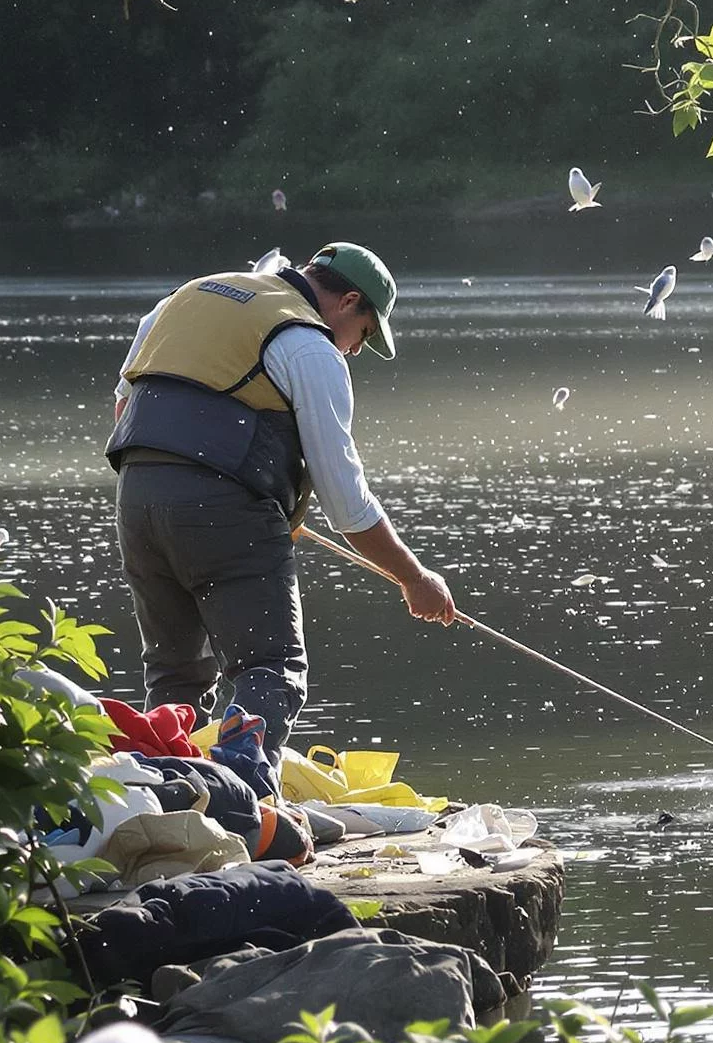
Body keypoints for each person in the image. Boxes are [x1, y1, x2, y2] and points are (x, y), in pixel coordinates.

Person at [107, 242, 453, 756]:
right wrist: (414, 578)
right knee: (271, 668)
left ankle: (165, 783)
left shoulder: (184, 299)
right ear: (348, 301)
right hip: (226, 511)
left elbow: (125, 409)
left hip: (137, 498)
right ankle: (243, 788)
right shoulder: (309, 345)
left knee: (174, 674)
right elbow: (346, 502)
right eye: (364, 333)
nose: (356, 350)